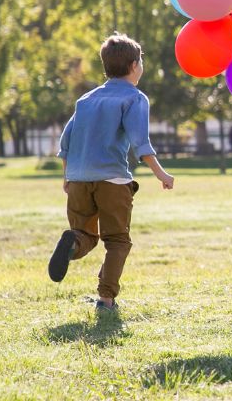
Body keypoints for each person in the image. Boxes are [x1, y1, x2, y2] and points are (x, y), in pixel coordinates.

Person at [48, 33, 174, 312]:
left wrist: (67, 177)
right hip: (112, 180)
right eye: (141, 60)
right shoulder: (135, 98)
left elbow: (65, 142)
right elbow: (141, 143)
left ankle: (73, 243)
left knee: (85, 235)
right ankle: (106, 299)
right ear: (133, 66)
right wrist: (162, 174)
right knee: (117, 240)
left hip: (79, 179)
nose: (142, 65)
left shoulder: (87, 99)